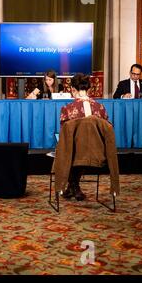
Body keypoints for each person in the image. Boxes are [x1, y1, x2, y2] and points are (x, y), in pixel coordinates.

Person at [59, 73, 109, 201]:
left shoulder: (67, 109)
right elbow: (108, 131)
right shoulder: (101, 108)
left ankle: (73, 185)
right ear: (89, 90)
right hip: (98, 154)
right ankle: (73, 186)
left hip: (75, 155)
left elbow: (64, 138)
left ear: (73, 90)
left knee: (71, 148)